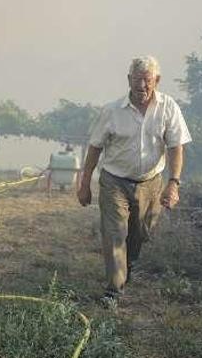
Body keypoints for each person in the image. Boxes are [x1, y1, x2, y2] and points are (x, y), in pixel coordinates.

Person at [77, 56, 191, 308]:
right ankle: (114, 290)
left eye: (147, 80)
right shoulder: (112, 111)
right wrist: (85, 183)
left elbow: (175, 147)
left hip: (151, 182)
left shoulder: (168, 107)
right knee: (115, 233)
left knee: (140, 233)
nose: (141, 86)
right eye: (136, 79)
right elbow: (95, 147)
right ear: (128, 80)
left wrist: (173, 183)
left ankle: (128, 264)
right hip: (114, 181)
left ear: (156, 81)